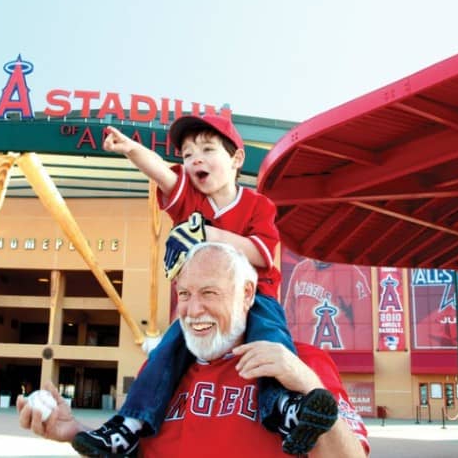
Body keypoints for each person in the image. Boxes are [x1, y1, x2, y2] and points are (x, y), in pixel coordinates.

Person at [72, 113, 310, 456]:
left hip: (254, 298)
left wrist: (205, 233)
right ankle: (129, 426)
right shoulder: (191, 200)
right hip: (205, 303)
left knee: (270, 338)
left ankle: (283, 406)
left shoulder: (258, 204)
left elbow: (261, 256)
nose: (195, 158)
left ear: (236, 159)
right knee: (166, 351)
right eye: (187, 154)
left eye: (208, 149)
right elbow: (161, 172)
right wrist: (129, 149)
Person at [18, 242, 370, 457]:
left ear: (247, 294)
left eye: (209, 293)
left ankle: (290, 410)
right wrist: (74, 432)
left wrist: (308, 385)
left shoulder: (302, 361)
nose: (192, 309)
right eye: (184, 294)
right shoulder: (159, 372)